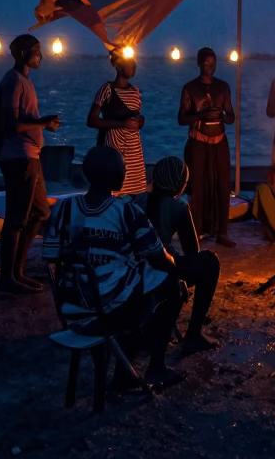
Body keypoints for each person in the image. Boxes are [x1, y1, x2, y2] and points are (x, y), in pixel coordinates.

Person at [66, 146, 185, 389]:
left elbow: (52, 256)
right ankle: (154, 367)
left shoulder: (64, 210)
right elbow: (159, 258)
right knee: (171, 286)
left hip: (72, 307)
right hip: (110, 307)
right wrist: (174, 267)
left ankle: (128, 363)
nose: (127, 169)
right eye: (123, 166)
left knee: (134, 279)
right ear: (113, 174)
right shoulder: (128, 211)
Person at [0, 35, 61, 296]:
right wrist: (42, 123)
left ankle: (17, 272)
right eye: (36, 52)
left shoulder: (25, 82)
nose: (40, 56)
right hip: (18, 157)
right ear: (23, 53)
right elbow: (10, 124)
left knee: (40, 213)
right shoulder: (13, 81)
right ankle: (7, 280)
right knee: (16, 219)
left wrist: (43, 125)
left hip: (31, 156)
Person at [140, 155, 220, 356]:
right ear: (180, 185)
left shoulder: (136, 199)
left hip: (132, 270)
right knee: (210, 263)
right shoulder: (179, 207)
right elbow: (193, 251)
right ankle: (192, 336)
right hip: (155, 271)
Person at [178, 47, 235, 248]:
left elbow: (231, 117)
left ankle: (223, 232)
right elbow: (182, 118)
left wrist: (221, 116)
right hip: (198, 142)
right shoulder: (189, 88)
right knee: (198, 187)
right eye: (206, 63)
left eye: (212, 63)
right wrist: (202, 115)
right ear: (199, 63)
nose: (209, 67)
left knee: (223, 186)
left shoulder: (223, 87)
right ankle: (197, 231)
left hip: (220, 142)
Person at [87, 48, 146, 195]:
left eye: (134, 63)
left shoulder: (136, 91)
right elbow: (92, 121)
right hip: (113, 149)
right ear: (118, 66)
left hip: (134, 152)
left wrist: (140, 121)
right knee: (113, 191)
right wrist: (122, 124)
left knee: (135, 193)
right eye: (130, 63)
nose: (134, 65)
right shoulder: (107, 90)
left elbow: (135, 117)